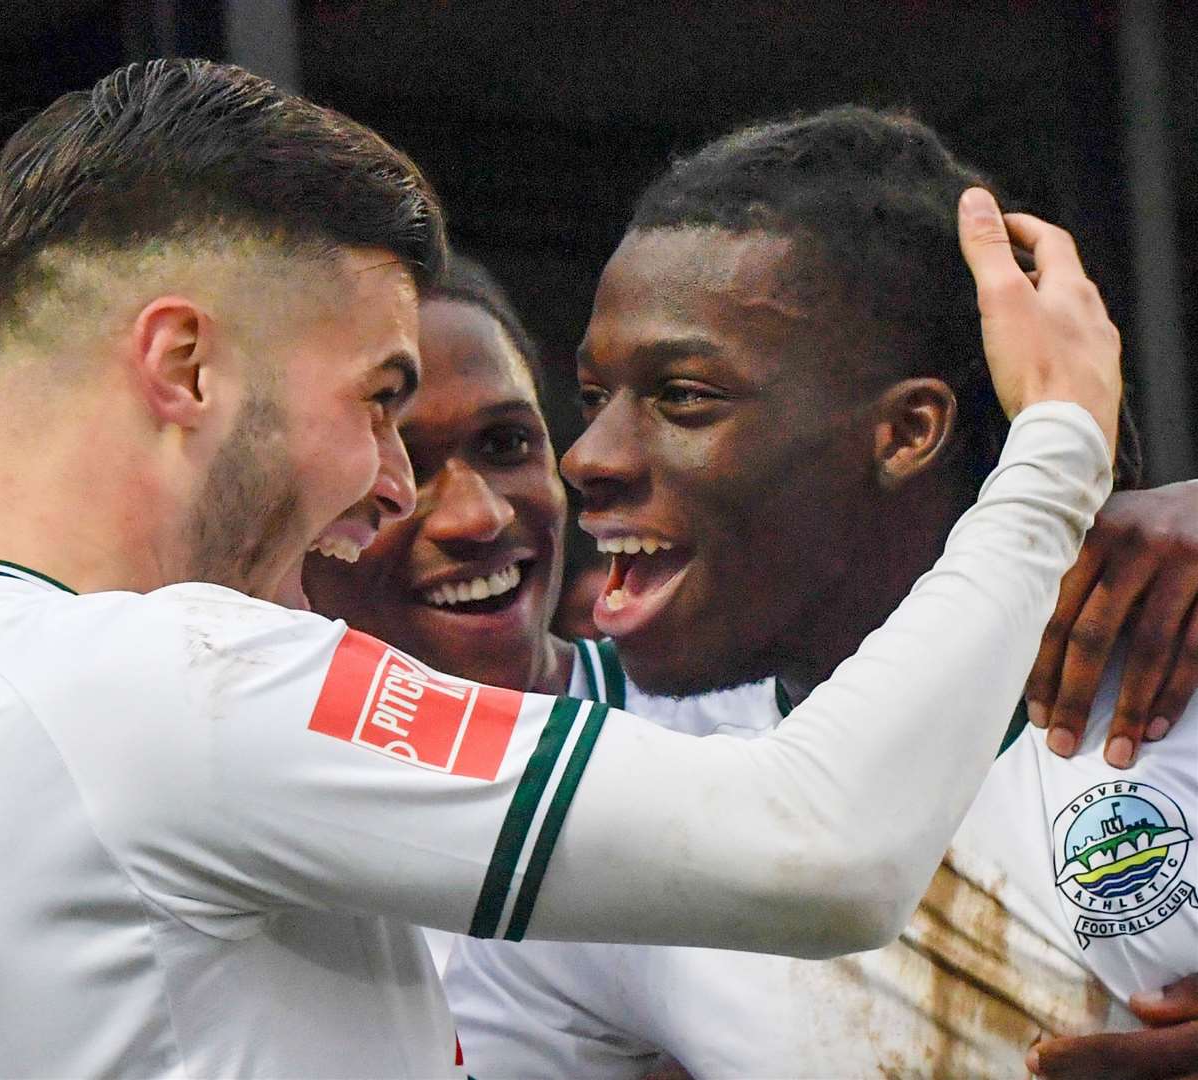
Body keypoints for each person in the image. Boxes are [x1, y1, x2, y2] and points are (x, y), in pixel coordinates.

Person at [0, 61, 1119, 1078]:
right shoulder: (174, 682)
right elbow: (820, 849)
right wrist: (1057, 448)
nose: (398, 486)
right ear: (185, 367)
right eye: (377, 400)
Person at [430, 109, 1198, 1077]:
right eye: (592, 399)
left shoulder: (1171, 659)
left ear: (905, 432)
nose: (588, 457)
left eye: (681, 397)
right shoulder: (616, 817)